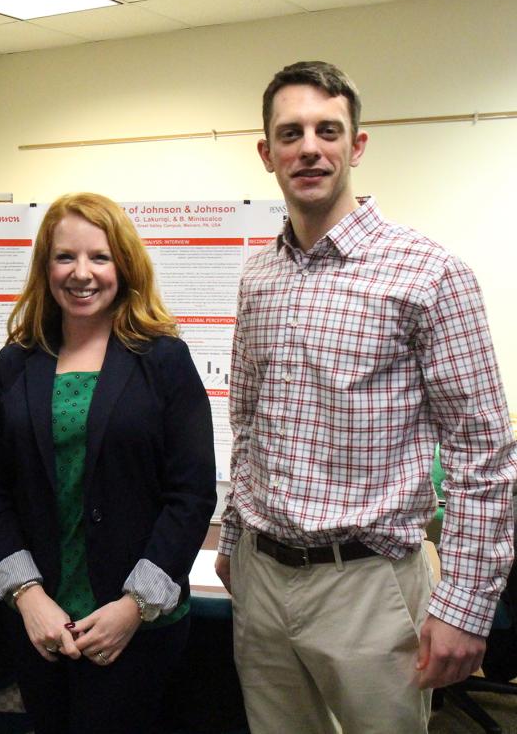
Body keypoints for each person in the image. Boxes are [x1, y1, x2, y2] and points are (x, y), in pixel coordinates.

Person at [217, 60, 517, 733]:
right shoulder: (259, 275)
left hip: (369, 586)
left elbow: (483, 457)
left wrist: (465, 605)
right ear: (267, 154)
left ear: (356, 146)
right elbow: (248, 422)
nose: (310, 148)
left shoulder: (430, 273)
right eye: (290, 134)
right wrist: (235, 536)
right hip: (263, 579)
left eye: (328, 130)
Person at [0, 192, 217, 734]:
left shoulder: (163, 359)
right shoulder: (18, 360)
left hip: (136, 622)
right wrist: (27, 596)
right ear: (45, 267)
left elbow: (192, 494)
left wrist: (135, 605)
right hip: (40, 618)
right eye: (65, 257)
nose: (81, 273)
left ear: (123, 266)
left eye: (99, 257)